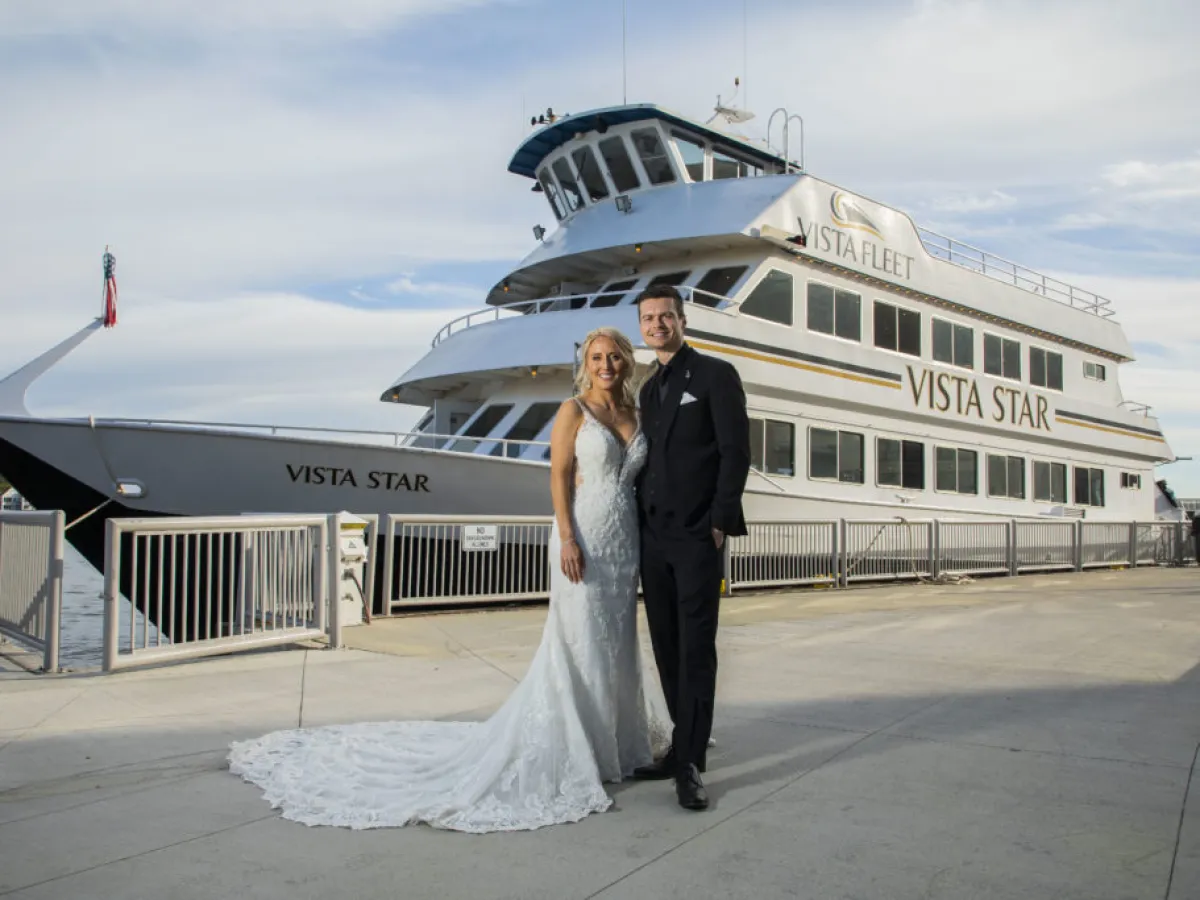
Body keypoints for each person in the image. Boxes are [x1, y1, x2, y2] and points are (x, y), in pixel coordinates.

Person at [228, 326, 666, 832]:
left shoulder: (635, 414)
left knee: (616, 642)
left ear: (627, 362)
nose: (605, 364)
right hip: (583, 537)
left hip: (623, 541)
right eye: (596, 356)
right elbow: (559, 476)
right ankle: (580, 745)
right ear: (585, 363)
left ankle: (617, 740)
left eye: (613, 356)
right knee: (580, 640)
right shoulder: (573, 411)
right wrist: (567, 537)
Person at [632, 284, 751, 811]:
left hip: (698, 536)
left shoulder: (714, 376)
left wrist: (721, 522)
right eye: (649, 318)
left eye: (665, 316)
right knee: (665, 645)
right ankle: (680, 746)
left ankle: (692, 765)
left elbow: (735, 452)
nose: (657, 324)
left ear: (683, 320)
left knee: (695, 649)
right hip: (653, 538)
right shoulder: (649, 388)